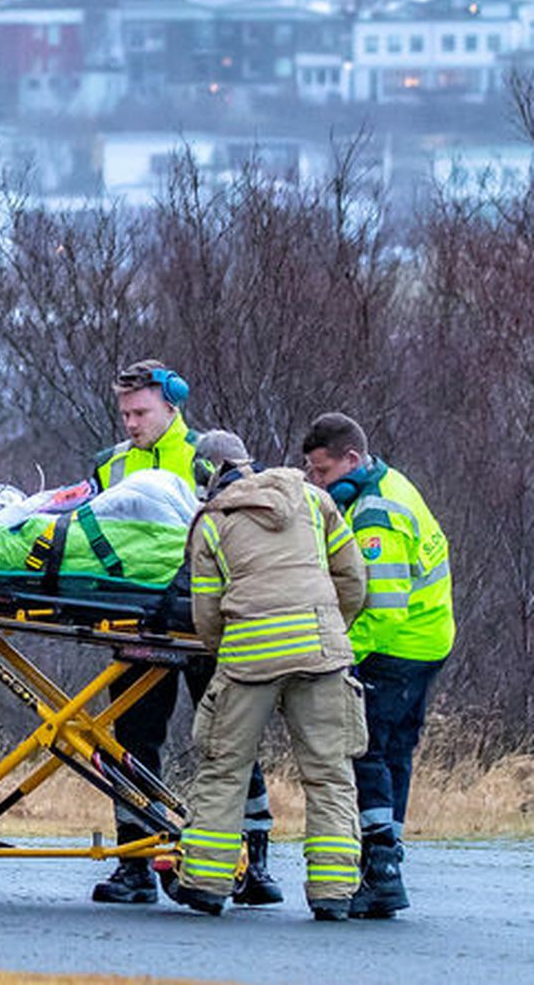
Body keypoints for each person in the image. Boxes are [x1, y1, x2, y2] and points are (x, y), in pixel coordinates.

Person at [89, 361, 281, 907]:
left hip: (206, 623)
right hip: (135, 620)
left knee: (229, 739)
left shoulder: (211, 457)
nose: (131, 422)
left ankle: (253, 862)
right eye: (124, 412)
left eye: (141, 412)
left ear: (172, 406)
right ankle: (135, 863)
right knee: (133, 743)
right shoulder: (110, 466)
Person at [166, 431, 367, 920]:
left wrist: (228, 651)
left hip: (249, 660)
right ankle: (334, 894)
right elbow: (353, 579)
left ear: (206, 476)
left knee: (224, 768)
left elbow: (207, 613)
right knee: (330, 774)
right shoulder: (313, 498)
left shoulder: (211, 524)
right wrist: (325, 629)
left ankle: (208, 885)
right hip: (321, 655)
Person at [303, 412, 453, 919]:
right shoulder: (390, 483)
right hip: (429, 637)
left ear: (351, 459)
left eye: (322, 472)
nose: (317, 483)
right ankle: (389, 854)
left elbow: (385, 612)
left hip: (399, 646)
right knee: (395, 752)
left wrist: (337, 652)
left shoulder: (374, 516)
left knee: (365, 748)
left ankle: (382, 867)